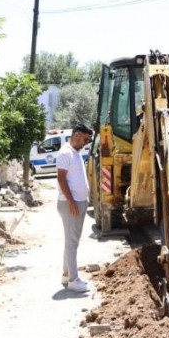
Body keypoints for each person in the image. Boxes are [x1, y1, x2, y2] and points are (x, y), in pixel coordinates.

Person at [57, 123, 93, 293]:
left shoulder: (76, 152)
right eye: (85, 139)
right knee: (72, 243)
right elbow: (61, 179)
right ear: (77, 135)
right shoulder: (65, 153)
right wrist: (71, 202)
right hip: (71, 203)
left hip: (78, 202)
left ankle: (66, 274)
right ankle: (73, 280)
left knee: (70, 241)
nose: (86, 143)